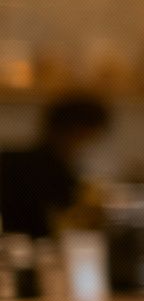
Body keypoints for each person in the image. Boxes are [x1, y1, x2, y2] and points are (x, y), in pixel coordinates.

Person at [0, 93, 109, 239]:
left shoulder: (15, 160)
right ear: (76, 130)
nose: (88, 145)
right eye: (90, 136)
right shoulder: (49, 169)